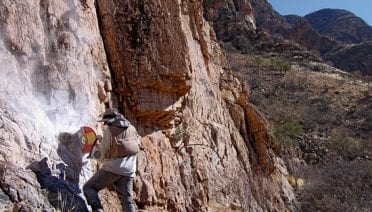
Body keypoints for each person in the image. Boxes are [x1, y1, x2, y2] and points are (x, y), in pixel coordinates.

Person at [83, 108, 140, 212]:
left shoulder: (110, 130)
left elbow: (101, 154)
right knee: (127, 200)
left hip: (113, 169)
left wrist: (95, 146)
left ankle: (98, 210)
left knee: (89, 188)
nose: (106, 125)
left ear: (110, 121)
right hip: (130, 170)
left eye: (106, 123)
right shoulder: (132, 128)